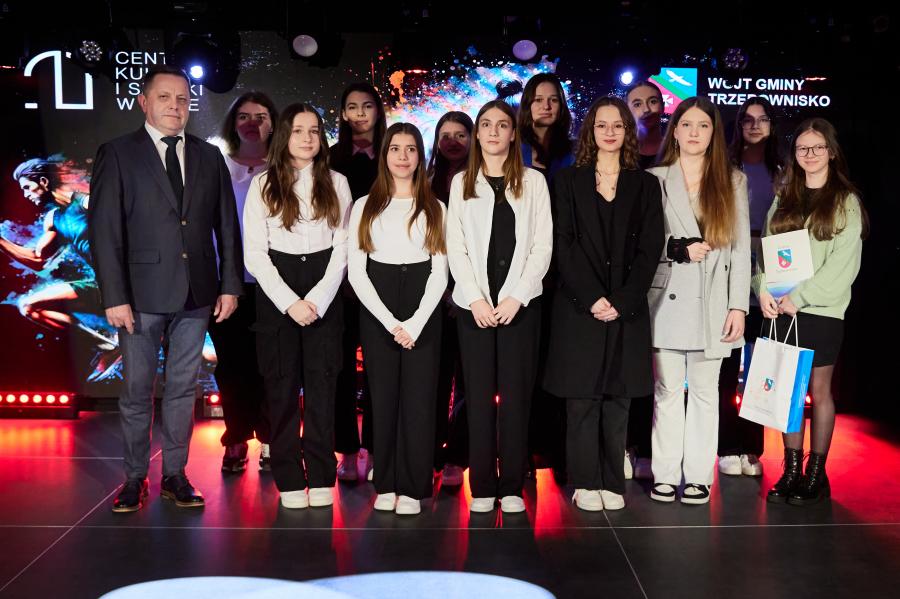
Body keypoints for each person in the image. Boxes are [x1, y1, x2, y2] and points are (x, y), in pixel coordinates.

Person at [89, 65, 243, 512]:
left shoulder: (208, 156)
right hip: (139, 296)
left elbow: (226, 227)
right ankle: (134, 478)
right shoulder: (118, 153)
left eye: (182, 99)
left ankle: (175, 474)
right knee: (137, 391)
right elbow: (104, 230)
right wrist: (114, 296)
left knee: (182, 389)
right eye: (164, 97)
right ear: (144, 102)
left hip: (198, 292)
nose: (175, 106)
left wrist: (230, 285)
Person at [543, 96, 664, 511]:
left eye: (617, 125)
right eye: (601, 125)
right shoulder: (567, 181)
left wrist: (623, 300)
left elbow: (650, 248)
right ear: (590, 131)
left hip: (626, 308)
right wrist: (594, 298)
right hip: (579, 306)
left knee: (618, 400)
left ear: (627, 131)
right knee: (582, 400)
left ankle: (613, 480)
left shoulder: (645, 184)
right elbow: (563, 244)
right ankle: (584, 480)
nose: (609, 132)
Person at [244, 103, 352, 509]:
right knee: (281, 388)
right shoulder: (262, 184)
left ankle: (322, 473)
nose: (307, 138)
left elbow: (343, 248)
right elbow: (255, 254)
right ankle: (288, 477)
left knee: (323, 388)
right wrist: (290, 303)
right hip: (278, 293)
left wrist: (318, 300)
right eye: (298, 130)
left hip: (324, 290)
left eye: (314, 130)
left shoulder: (337, 182)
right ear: (283, 136)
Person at [755, 117, 867, 506]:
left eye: (818, 147)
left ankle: (816, 475)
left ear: (831, 152)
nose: (810, 154)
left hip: (821, 311)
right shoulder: (784, 196)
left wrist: (799, 298)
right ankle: (790, 471)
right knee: (787, 393)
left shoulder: (846, 201)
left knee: (818, 392)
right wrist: (762, 289)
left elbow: (843, 267)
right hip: (782, 310)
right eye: (803, 148)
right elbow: (766, 252)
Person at [447, 100, 552, 514]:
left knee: (515, 398)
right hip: (473, 307)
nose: (493, 131)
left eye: (502, 125)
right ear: (477, 135)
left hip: (519, 307)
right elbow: (455, 245)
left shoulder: (534, 182)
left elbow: (542, 246)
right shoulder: (461, 182)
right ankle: (482, 486)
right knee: (476, 398)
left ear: (513, 133)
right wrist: (475, 297)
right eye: (486, 124)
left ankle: (511, 484)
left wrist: (516, 296)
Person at [646, 96, 750, 505]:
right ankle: (665, 473)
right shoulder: (655, 178)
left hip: (714, 299)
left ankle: (698, 477)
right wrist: (677, 248)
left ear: (714, 133)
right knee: (667, 390)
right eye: (687, 124)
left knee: (706, 393)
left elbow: (740, 250)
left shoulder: (732, 180)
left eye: (703, 126)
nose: (694, 132)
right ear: (674, 130)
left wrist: (738, 305)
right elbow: (643, 243)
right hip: (665, 298)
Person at [348, 122, 448, 515]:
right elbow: (358, 273)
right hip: (379, 309)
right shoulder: (364, 206)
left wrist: (417, 322)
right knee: (383, 398)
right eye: (395, 148)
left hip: (424, 308)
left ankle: (412, 486)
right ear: (384, 154)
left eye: (410, 149)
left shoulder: (435, 207)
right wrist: (391, 323)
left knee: (420, 400)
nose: (403, 157)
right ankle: (386, 481)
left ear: (420, 157)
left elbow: (440, 273)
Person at [212, 91, 279, 473]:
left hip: (274, 283)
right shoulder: (217, 166)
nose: (252, 123)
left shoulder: (287, 168)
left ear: (273, 123)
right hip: (227, 283)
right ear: (232, 123)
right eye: (244, 116)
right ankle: (235, 437)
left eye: (261, 116)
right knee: (231, 366)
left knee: (271, 366)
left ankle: (270, 439)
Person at [717, 97, 782, 478]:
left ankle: (751, 448)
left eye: (763, 119)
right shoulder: (726, 168)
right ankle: (727, 446)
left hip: (772, 276)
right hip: (731, 270)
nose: (755, 125)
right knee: (728, 365)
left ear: (772, 125)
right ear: (738, 125)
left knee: (761, 368)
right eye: (748, 119)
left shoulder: (784, 171)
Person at [330, 83, 388, 481]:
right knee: (341, 370)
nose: (360, 114)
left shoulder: (392, 153)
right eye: (352, 107)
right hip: (339, 276)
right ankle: (348, 452)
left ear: (378, 111)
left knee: (381, 370)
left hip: (385, 273)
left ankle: (377, 449)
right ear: (343, 114)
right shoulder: (331, 158)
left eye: (367, 106)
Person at [426, 111, 474, 485]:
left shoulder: (481, 181)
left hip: (472, 295)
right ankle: (430, 453)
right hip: (432, 295)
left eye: (461, 134)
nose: (453, 141)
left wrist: (465, 291)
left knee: (468, 380)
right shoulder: (425, 182)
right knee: (435, 379)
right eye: (446, 134)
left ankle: (458, 456)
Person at [625, 80, 665, 169]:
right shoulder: (619, 154)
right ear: (627, 112)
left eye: (653, 102)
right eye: (637, 104)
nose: (646, 109)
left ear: (663, 106)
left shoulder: (678, 151)